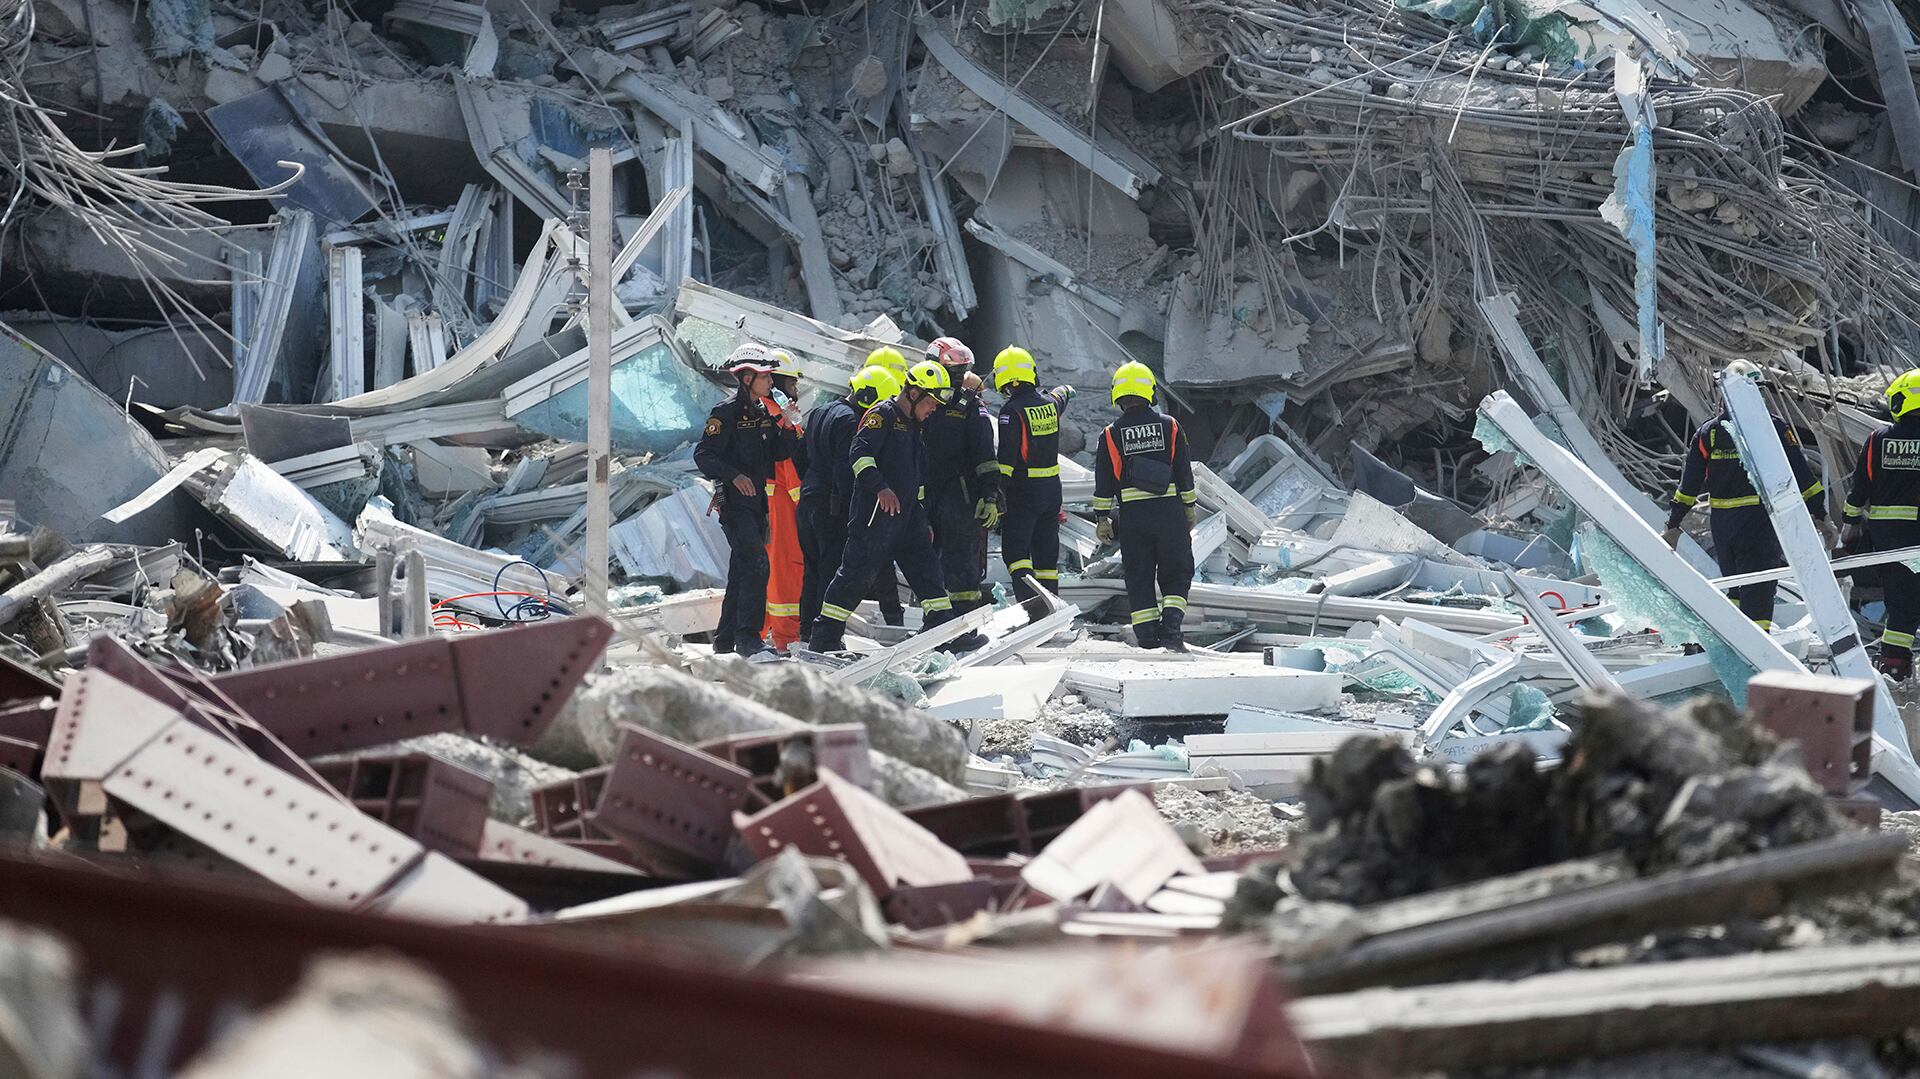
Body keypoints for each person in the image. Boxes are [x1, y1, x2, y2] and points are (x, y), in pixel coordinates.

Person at [1662, 359, 1829, 633]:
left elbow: (1688, 486)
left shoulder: (1708, 433)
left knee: (1736, 592)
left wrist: (1673, 524)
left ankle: (1737, 643)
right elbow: (1802, 475)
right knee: (1758, 597)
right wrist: (1821, 514)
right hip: (1759, 524)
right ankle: (1758, 650)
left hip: (1723, 526)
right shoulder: (1772, 427)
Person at [807, 361, 958, 653]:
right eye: (930, 402)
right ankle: (824, 637)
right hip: (875, 516)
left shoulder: (914, 424)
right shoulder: (882, 415)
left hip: (907, 517)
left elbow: (915, 475)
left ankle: (942, 626)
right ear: (913, 393)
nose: (934, 409)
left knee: (927, 569)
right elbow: (859, 454)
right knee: (855, 576)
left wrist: (922, 518)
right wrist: (880, 488)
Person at [694, 343, 795, 658]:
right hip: (735, 505)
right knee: (756, 564)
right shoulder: (725, 413)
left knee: (741, 569)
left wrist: (788, 426)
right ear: (747, 378)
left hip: (756, 505)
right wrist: (734, 476)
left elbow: (778, 452)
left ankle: (725, 639)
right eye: (766, 376)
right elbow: (704, 455)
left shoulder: (763, 411)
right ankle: (748, 638)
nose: (771, 382)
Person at [1091, 361, 1197, 652]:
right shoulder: (1170, 426)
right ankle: (1171, 631)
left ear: (1118, 395)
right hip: (1169, 514)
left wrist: (1102, 518)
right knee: (1178, 571)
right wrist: (1189, 506)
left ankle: (1148, 640)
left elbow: (1103, 481)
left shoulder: (1110, 434)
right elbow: (1184, 470)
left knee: (1138, 577)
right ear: (1149, 391)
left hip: (1133, 519)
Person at [797, 363, 899, 642]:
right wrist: (853, 508)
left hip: (808, 500)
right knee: (831, 572)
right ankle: (823, 636)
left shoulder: (820, 411)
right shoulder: (851, 421)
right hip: (831, 506)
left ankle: (806, 631)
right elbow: (846, 470)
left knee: (813, 570)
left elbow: (800, 456)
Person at [919, 337, 999, 652]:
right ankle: (933, 628)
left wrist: (990, 494)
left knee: (962, 562)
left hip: (960, 496)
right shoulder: (917, 400)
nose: (956, 376)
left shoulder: (969, 406)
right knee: (925, 562)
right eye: (952, 369)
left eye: (960, 370)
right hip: (924, 495)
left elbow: (984, 454)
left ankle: (963, 629)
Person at [1842, 367, 1920, 680]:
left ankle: (1893, 668)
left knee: (1901, 603)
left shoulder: (1878, 440)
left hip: (1890, 541)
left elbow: (1859, 488)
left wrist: (1849, 524)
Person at [993, 346, 1075, 621]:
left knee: (1016, 554)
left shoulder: (1011, 411)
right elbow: (1060, 396)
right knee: (1046, 557)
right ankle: (1055, 616)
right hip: (1052, 491)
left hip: (1023, 492)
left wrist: (997, 492)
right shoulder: (1049, 405)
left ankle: (1035, 614)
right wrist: (1066, 389)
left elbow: (1007, 459)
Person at [760, 349, 808, 651]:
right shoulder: (775, 414)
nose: (796, 390)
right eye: (791, 383)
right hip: (781, 502)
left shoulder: (771, 410)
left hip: (774, 501)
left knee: (770, 569)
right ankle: (786, 638)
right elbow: (787, 463)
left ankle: (760, 632)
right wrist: (804, 503)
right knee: (786, 569)